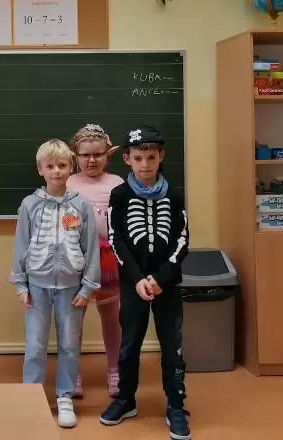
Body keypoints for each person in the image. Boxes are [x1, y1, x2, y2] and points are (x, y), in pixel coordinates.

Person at [99, 126, 191, 440]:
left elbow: (182, 240)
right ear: (127, 159)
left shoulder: (174, 195)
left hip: (167, 284)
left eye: (151, 157)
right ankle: (126, 399)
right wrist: (137, 278)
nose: (145, 164)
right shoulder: (120, 195)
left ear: (161, 156)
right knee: (129, 343)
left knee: (172, 345)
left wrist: (162, 278)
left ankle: (176, 404)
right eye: (138, 158)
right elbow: (116, 239)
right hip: (133, 284)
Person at [11, 139, 100, 429]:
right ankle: (31, 396)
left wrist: (88, 286)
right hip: (37, 287)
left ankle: (65, 396)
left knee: (70, 345)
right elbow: (20, 245)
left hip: (72, 289)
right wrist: (21, 285)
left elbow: (91, 248)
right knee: (35, 344)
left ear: (70, 167)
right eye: (50, 166)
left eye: (62, 165)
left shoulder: (81, 205)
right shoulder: (30, 205)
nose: (57, 171)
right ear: (40, 169)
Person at [67, 123, 124, 398]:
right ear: (75, 156)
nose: (92, 160)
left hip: (108, 261)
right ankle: (72, 373)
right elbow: (64, 220)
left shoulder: (117, 183)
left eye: (98, 154)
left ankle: (115, 370)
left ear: (107, 154)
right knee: (73, 320)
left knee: (112, 318)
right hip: (76, 260)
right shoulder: (68, 183)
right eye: (85, 155)